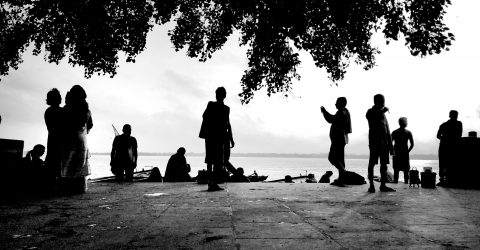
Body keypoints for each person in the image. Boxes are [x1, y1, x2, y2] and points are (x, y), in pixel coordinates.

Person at [199, 87, 235, 191]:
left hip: (220, 137)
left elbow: (228, 124)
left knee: (217, 161)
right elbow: (204, 116)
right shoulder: (211, 104)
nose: (218, 95)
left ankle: (213, 182)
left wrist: (231, 138)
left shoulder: (226, 108)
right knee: (211, 160)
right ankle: (211, 182)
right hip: (212, 136)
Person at [60, 85, 93, 194]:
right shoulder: (87, 110)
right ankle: (81, 188)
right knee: (81, 164)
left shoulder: (67, 108)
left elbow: (62, 124)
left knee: (68, 164)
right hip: (83, 139)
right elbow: (90, 125)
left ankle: (67, 188)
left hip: (69, 138)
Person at [366, 94, 395, 192]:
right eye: (382, 101)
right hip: (374, 142)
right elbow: (372, 118)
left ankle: (383, 185)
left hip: (384, 143)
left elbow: (388, 131)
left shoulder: (383, 115)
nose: (383, 103)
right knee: (372, 163)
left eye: (383, 101)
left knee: (384, 165)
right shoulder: (370, 112)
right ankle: (371, 185)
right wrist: (382, 111)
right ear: (376, 102)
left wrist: (391, 148)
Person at [321, 97, 352, 187]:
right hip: (341, 139)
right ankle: (341, 179)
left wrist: (324, 111)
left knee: (332, 158)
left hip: (338, 139)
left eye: (337, 102)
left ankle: (343, 173)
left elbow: (331, 119)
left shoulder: (342, 112)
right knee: (340, 159)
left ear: (341, 103)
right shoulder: (344, 112)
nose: (335, 104)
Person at [436, 110, 462, 186]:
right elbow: (459, 135)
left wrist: (444, 138)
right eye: (455, 115)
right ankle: (446, 180)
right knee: (449, 163)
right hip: (451, 146)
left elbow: (438, 136)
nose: (456, 117)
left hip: (445, 146)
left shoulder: (444, 125)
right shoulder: (458, 124)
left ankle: (443, 180)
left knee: (444, 163)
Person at [44, 88, 63, 187]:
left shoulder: (48, 111)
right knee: (59, 161)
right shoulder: (60, 111)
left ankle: (50, 182)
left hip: (51, 138)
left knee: (51, 160)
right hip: (59, 139)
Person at [391, 117, 414, 184]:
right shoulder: (408, 132)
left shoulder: (394, 132)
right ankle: (406, 183)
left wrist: (393, 150)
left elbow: (390, 143)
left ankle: (396, 182)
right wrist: (407, 151)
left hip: (397, 152)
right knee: (406, 170)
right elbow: (412, 144)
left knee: (396, 170)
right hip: (404, 153)